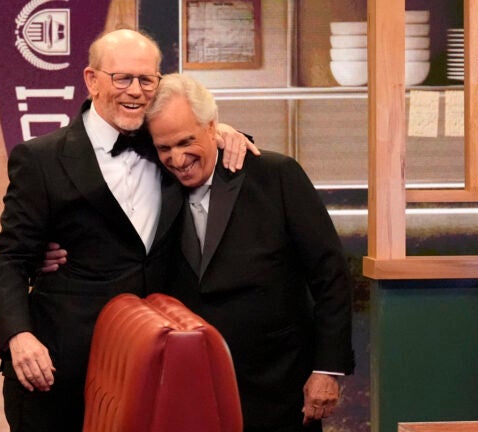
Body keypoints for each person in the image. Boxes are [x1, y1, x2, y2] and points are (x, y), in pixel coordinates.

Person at [45, 73, 354, 430]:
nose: (177, 159)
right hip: (189, 396)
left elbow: (330, 275)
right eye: (164, 148)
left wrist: (326, 369)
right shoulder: (153, 186)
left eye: (186, 141)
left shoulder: (275, 175)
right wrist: (43, 256)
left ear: (213, 128)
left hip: (280, 390)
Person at [0, 29, 256, 432]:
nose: (136, 91)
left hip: (157, 368)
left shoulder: (168, 147)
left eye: (147, 80)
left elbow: (200, 140)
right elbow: (10, 259)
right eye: (123, 78)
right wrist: (18, 337)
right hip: (61, 370)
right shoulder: (40, 159)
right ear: (91, 80)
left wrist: (227, 132)